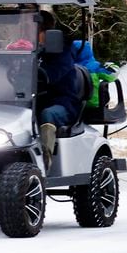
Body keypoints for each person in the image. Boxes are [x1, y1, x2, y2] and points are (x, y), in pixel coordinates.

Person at [37, 11, 79, 170]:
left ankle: (44, 161)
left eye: (34, 31)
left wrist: (37, 72)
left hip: (63, 102)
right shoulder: (31, 51)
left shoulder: (62, 52)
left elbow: (52, 75)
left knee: (47, 114)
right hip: (34, 100)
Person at [71, 39, 119, 108]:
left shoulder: (68, 67)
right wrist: (111, 66)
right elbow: (112, 75)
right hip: (93, 105)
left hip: (73, 104)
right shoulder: (95, 67)